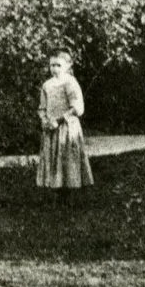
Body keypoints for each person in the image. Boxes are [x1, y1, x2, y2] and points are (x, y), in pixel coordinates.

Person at [36, 51, 94, 198]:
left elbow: (77, 108)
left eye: (58, 65)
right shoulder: (47, 85)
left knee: (67, 158)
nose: (54, 68)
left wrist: (59, 120)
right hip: (51, 129)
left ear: (68, 66)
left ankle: (71, 195)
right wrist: (44, 119)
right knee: (54, 159)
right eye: (52, 65)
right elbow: (42, 107)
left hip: (66, 128)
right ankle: (57, 192)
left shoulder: (70, 83)